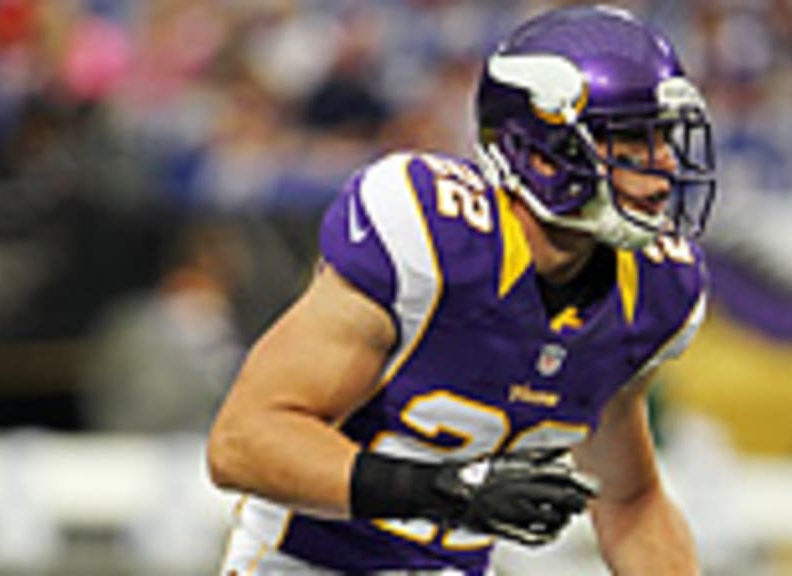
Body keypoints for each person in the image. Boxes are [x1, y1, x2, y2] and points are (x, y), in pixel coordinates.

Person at [207, 5, 716, 575]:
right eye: (631, 139)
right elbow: (244, 439)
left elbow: (630, 500)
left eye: (665, 135)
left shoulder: (649, 287)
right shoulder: (431, 236)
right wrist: (445, 492)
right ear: (546, 150)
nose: (666, 161)